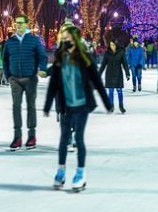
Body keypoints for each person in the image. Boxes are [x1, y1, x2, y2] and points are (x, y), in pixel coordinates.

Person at [44, 25, 113, 192]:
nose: (65, 41)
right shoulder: (60, 58)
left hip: (82, 105)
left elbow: (97, 81)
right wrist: (47, 105)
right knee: (63, 139)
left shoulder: (85, 58)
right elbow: (53, 84)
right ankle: (61, 171)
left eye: (67, 38)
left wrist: (107, 103)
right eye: (63, 38)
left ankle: (80, 174)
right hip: (66, 106)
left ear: (75, 39)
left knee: (79, 139)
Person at [2, 14, 48, 151]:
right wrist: (8, 76)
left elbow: (43, 56)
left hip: (30, 78)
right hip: (15, 79)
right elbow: (5, 60)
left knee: (31, 107)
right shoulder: (10, 41)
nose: (19, 25)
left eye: (21, 23)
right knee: (16, 106)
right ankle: (17, 137)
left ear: (27, 24)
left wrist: (43, 69)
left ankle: (31, 136)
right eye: (17, 23)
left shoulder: (34, 40)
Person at [99, 40, 131, 113]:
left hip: (118, 74)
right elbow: (103, 65)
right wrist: (99, 74)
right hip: (109, 74)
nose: (112, 46)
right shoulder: (107, 53)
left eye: (113, 45)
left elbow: (125, 64)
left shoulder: (121, 53)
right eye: (110, 45)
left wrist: (127, 73)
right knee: (110, 91)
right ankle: (111, 106)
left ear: (116, 45)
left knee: (119, 91)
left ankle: (121, 106)